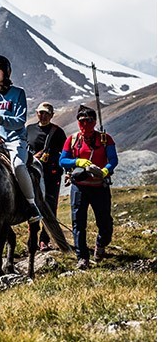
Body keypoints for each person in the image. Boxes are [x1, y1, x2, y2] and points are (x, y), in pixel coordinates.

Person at [0, 55, 43, 223]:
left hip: (14, 140)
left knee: (19, 166)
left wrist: (3, 121)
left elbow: (20, 121)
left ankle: (31, 205)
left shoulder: (18, 93)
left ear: (6, 71)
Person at [60, 105, 118, 270]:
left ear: (94, 121)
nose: (84, 124)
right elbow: (62, 160)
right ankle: (82, 257)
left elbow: (113, 159)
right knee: (78, 223)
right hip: (79, 187)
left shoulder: (105, 139)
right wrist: (77, 162)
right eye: (81, 121)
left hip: (100, 186)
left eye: (88, 121)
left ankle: (101, 242)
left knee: (105, 222)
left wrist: (106, 170)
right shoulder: (72, 140)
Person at [26, 102, 67, 251]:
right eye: (40, 113)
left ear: (51, 115)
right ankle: (32, 237)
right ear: (37, 113)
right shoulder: (29, 129)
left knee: (49, 206)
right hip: (33, 174)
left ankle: (45, 239)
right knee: (32, 205)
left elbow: (65, 152)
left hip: (52, 175)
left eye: (46, 114)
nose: (43, 116)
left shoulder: (58, 132)